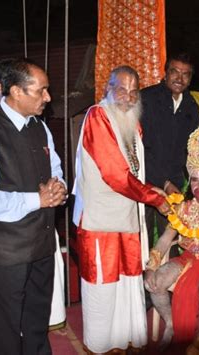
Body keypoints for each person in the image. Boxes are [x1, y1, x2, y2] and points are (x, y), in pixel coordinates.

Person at [0, 58, 67, 354]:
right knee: (9, 326)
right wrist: (38, 199)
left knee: (37, 320)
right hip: (8, 250)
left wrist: (58, 188)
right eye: (41, 90)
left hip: (43, 242)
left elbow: (55, 169)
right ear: (16, 91)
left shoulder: (39, 127)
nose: (48, 97)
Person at [72, 65, 171, 354]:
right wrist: (154, 198)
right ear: (107, 88)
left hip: (127, 218)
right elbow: (115, 173)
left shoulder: (131, 122)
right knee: (102, 284)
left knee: (128, 282)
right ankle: (100, 346)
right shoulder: (98, 116)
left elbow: (134, 171)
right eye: (121, 89)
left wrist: (152, 189)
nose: (127, 96)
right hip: (99, 221)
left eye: (133, 91)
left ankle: (125, 340)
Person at [145, 124, 199, 349]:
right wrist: (152, 266)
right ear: (189, 182)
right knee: (154, 284)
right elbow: (166, 238)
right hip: (188, 259)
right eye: (195, 179)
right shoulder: (182, 208)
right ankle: (172, 324)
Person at [141, 52, 199, 252]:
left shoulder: (191, 107)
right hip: (146, 184)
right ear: (165, 73)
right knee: (146, 244)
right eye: (175, 71)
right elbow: (139, 148)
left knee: (174, 244)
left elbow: (188, 151)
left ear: (190, 79)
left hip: (176, 186)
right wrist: (162, 182)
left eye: (185, 74)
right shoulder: (146, 99)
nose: (179, 78)